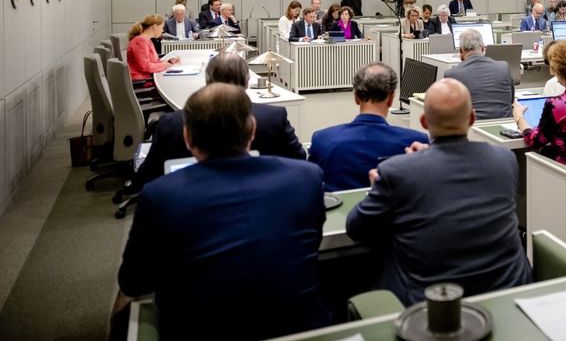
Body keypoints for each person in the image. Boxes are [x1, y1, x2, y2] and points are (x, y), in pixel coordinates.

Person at [117, 84, 331, 341]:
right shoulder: (307, 178)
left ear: (188, 138)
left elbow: (134, 282)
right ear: (252, 130)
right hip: (303, 329)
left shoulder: (160, 195)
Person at [346, 78, 531, 306]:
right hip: (508, 292)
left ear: (423, 122)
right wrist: (427, 158)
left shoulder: (396, 171)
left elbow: (356, 227)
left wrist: (380, 186)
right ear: (472, 118)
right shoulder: (504, 159)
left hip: (434, 306)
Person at [134, 53, 306, 190]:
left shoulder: (171, 123)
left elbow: (146, 177)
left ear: (207, 80)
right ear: (247, 82)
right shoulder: (273, 117)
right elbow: (299, 158)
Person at [310, 63, 423, 191]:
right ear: (391, 98)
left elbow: (311, 185)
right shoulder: (416, 142)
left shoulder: (322, 140)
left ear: (356, 97)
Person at [443, 28, 514, 119]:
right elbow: (511, 100)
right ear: (483, 47)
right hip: (505, 127)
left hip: (471, 128)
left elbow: (450, 107)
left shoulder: (451, 74)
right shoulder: (503, 67)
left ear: (461, 51)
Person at [127, 15, 180, 82]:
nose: (162, 30)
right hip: (143, 82)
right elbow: (145, 66)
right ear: (155, 27)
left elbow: (154, 62)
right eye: (161, 27)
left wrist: (169, 61)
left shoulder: (147, 40)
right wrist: (166, 64)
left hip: (148, 78)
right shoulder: (140, 41)